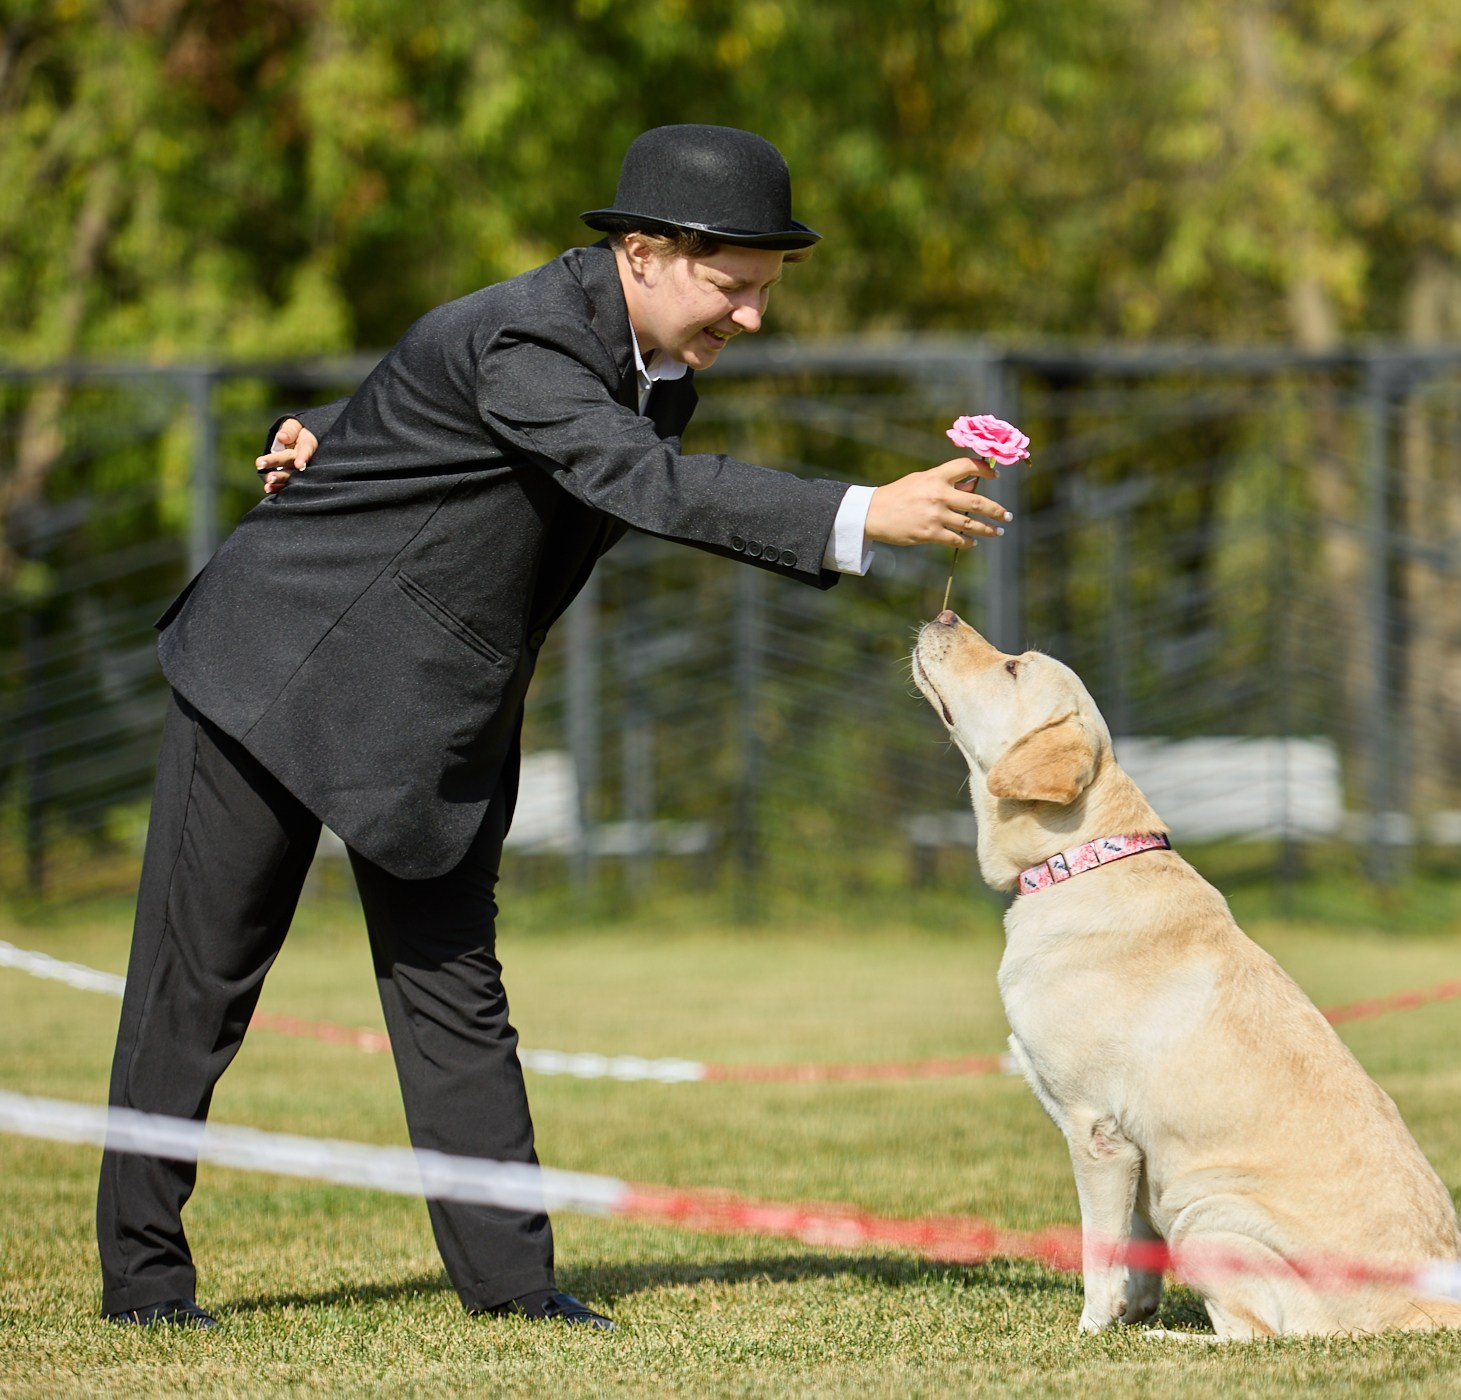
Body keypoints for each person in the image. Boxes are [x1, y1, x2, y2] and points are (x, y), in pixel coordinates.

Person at [97, 124, 1008, 1332]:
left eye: (765, 290)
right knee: (197, 987)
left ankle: (517, 1287)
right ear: (644, 253)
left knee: (454, 992)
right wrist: (859, 511)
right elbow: (636, 477)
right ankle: (145, 1284)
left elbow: (446, 400)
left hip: (428, 715)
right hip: (272, 668)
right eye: (733, 286)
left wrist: (333, 421)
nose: (750, 316)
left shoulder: (641, 364)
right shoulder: (531, 336)